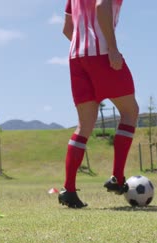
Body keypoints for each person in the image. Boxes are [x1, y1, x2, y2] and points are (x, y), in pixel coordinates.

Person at [58, 0, 139, 208]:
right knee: (130, 111)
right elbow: (102, 5)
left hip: (76, 56)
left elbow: (67, 28)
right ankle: (117, 179)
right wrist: (111, 48)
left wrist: (85, 44)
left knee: (84, 125)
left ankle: (69, 190)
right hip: (101, 54)